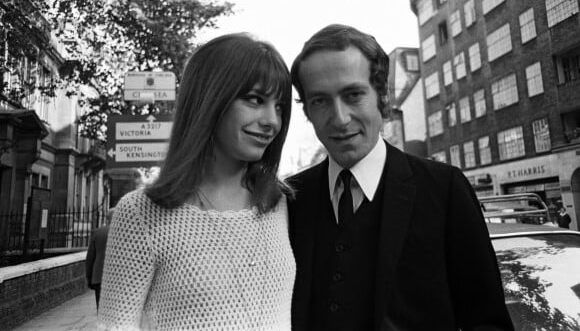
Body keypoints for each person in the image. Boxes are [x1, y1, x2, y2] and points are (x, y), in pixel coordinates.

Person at [286, 24, 514, 330]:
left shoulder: (443, 189)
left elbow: (486, 321)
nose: (339, 119)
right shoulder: (292, 198)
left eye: (353, 95)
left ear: (383, 97)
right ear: (308, 112)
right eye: (320, 101)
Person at [98, 33, 296, 330]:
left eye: (280, 106)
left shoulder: (279, 204)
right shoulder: (141, 213)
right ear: (210, 98)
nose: (273, 121)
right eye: (255, 100)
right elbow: (115, 326)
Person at [86, 208, 115, 309]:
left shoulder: (97, 233)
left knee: (101, 309)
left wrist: (89, 277)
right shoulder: (127, 232)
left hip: (99, 276)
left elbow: (90, 258)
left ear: (107, 219)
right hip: (119, 278)